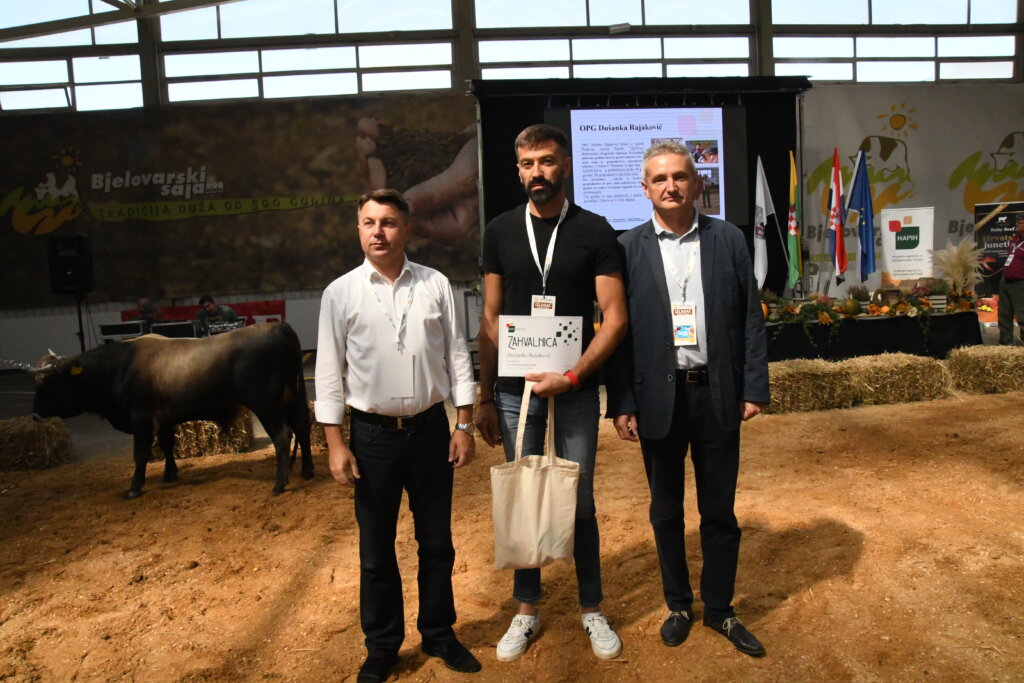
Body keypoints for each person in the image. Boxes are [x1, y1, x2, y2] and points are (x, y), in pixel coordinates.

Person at [606, 141, 770, 657]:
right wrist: (622, 401)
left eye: (680, 176)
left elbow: (750, 318)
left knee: (719, 511)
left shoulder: (729, 239)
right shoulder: (626, 248)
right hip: (658, 398)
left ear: (697, 183)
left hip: (717, 395)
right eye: (660, 179)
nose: (671, 186)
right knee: (665, 511)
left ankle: (719, 608)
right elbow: (616, 332)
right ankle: (678, 604)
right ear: (644, 188)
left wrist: (753, 387)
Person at [476, 124, 628, 662]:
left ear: (565, 164)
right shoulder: (499, 231)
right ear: (517, 170)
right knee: (525, 495)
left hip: (575, 390)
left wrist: (574, 376)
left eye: (545, 161)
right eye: (526, 164)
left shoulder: (596, 231)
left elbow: (615, 318)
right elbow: (490, 317)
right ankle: (526, 610)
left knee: (578, 499)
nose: (536, 172)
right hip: (515, 393)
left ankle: (592, 607)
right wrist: (487, 395)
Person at [315, 189, 480, 683]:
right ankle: (382, 646)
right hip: (372, 439)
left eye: (388, 222)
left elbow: (457, 354)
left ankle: (439, 633)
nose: (378, 232)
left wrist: (464, 423)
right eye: (369, 223)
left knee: (437, 543)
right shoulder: (340, 293)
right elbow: (328, 372)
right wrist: (335, 443)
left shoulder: (435, 284)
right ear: (358, 230)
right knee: (376, 550)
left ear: (407, 230)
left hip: (431, 431)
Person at [998, 216, 1024, 345]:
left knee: (1022, 314)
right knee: (1004, 314)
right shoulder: (1015, 239)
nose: (1017, 223)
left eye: (1021, 222)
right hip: (1006, 280)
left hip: (1020, 282)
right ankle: (1005, 344)